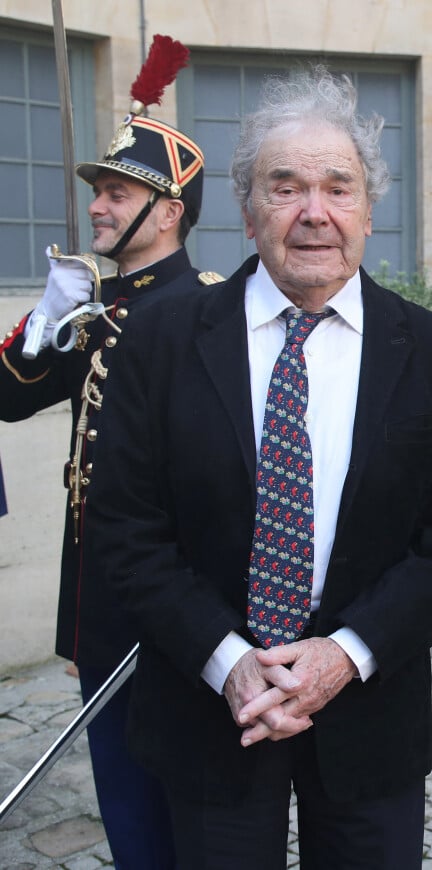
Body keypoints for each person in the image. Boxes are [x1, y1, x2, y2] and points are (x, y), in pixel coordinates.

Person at [86, 65, 432, 870]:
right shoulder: (162, 343)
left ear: (371, 212)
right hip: (211, 716)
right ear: (246, 211)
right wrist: (230, 663)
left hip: (371, 719)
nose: (314, 213)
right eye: (285, 187)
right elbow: (124, 530)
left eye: (339, 188)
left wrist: (345, 653)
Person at [0, 39, 222, 868]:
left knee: (192, 807)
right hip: (100, 603)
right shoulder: (86, 311)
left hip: (182, 609)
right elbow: (9, 398)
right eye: (97, 191)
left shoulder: (211, 314)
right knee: (126, 804)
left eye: (117, 192)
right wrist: (40, 323)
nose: (96, 207)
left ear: (167, 211)